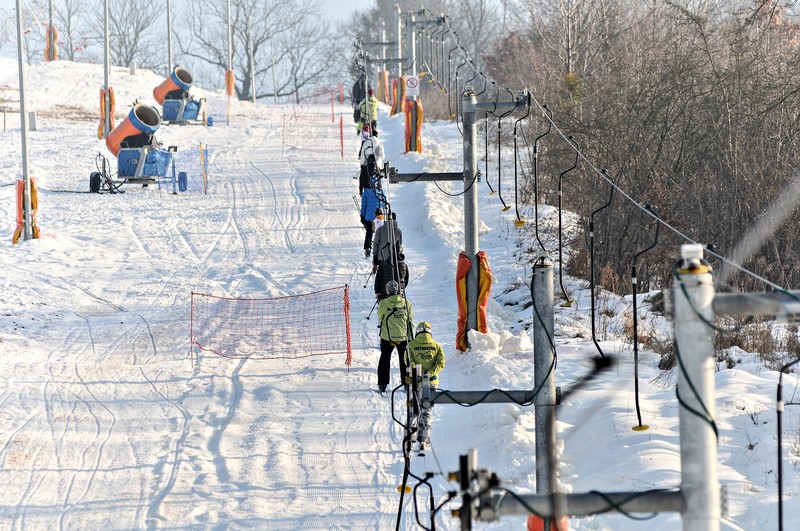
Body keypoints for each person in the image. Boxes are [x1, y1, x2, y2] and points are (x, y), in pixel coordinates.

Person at [406, 321, 445, 450]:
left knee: (413, 410)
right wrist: (429, 373)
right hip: (432, 383)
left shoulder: (410, 345)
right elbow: (441, 363)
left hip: (414, 382)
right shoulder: (436, 346)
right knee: (426, 411)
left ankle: (410, 438)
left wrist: (417, 373)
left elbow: (408, 361)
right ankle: (424, 440)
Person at [377, 280, 414, 393]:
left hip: (387, 337)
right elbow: (410, 321)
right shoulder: (406, 303)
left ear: (387, 291)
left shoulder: (383, 303)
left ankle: (383, 383)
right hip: (403, 337)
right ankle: (406, 383)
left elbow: (380, 316)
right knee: (405, 360)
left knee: (385, 358)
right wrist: (410, 337)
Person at [360, 178, 385, 258]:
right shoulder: (381, 192)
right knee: (380, 233)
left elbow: (363, 206)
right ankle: (381, 249)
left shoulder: (366, 193)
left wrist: (362, 216)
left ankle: (368, 248)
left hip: (369, 217)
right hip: (379, 216)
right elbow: (384, 204)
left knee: (369, 233)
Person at [358, 127, 384, 196]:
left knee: (365, 182)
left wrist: (362, 165)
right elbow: (383, 156)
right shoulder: (379, 144)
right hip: (376, 167)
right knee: (376, 182)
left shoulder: (366, 142)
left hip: (366, 166)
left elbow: (362, 155)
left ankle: (364, 194)